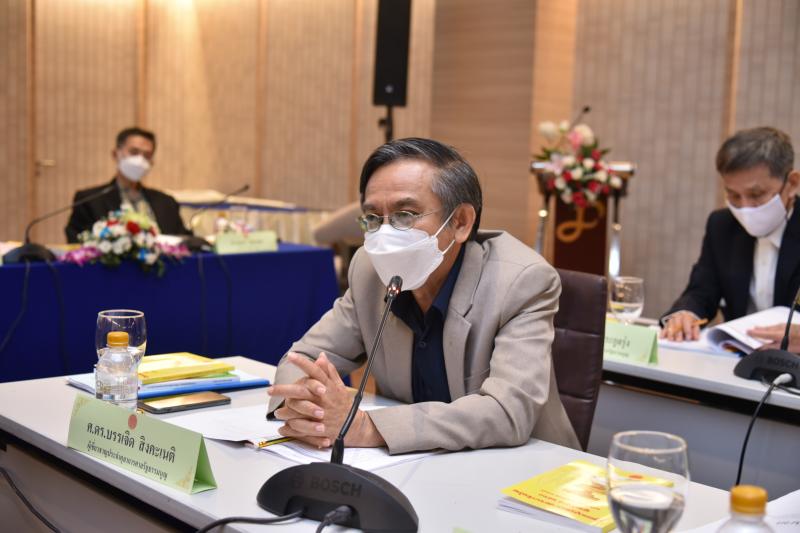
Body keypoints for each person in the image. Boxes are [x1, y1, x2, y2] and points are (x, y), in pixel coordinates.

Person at [267, 138, 580, 454]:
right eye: (373, 218)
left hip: (523, 466)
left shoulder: (521, 281)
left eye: (405, 215)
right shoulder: (369, 270)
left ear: (460, 222)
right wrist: (308, 407)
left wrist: (366, 427)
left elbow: (507, 413)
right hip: (413, 463)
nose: (385, 234)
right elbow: (304, 358)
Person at [661, 127, 800, 352]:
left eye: (756, 195)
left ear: (792, 184)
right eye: (734, 195)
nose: (745, 207)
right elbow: (701, 291)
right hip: (734, 360)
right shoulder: (722, 225)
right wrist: (685, 314)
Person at [65, 127, 190, 243]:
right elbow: (77, 242)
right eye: (134, 152)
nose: (140, 160)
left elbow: (184, 241)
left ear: (152, 161)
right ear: (115, 154)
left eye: (147, 155)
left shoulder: (166, 202)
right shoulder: (90, 200)